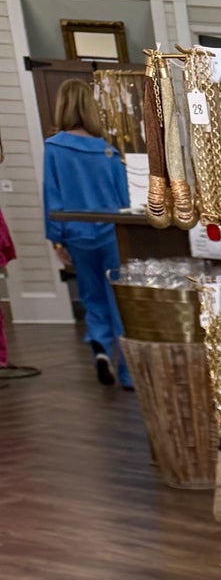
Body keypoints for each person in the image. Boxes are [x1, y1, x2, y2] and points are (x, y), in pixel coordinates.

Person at [43, 79, 132, 387]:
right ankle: (128, 373)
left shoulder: (54, 148)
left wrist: (56, 240)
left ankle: (100, 347)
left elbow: (52, 195)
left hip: (75, 233)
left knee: (92, 296)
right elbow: (124, 200)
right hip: (112, 234)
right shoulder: (108, 151)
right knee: (118, 298)